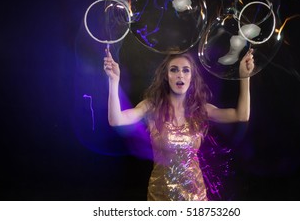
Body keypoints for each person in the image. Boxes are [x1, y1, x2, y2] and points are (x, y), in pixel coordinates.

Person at [103, 47, 254, 201]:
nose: (180, 74)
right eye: (174, 70)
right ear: (166, 76)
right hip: (161, 195)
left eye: (186, 70)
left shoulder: (200, 110)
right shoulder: (151, 107)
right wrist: (113, 81)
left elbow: (241, 115)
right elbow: (116, 120)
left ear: (192, 77)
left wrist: (245, 77)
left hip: (195, 196)